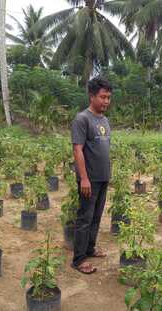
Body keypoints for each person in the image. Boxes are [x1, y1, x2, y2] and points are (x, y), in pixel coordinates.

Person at [70, 77, 113, 274]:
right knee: (85, 218)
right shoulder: (82, 119)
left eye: (108, 97)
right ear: (92, 96)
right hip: (90, 179)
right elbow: (78, 150)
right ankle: (78, 260)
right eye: (102, 97)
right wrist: (84, 178)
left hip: (103, 177)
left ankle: (90, 248)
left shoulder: (104, 120)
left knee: (96, 217)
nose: (106, 101)